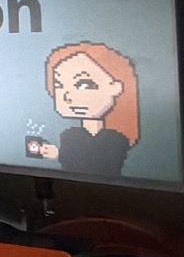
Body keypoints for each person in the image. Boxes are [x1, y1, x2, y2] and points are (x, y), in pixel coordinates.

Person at [27, 41, 138, 178]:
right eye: (59, 85)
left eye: (84, 84)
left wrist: (60, 155)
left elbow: (102, 168)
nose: (68, 96)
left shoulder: (116, 139)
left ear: (115, 87)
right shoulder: (69, 135)